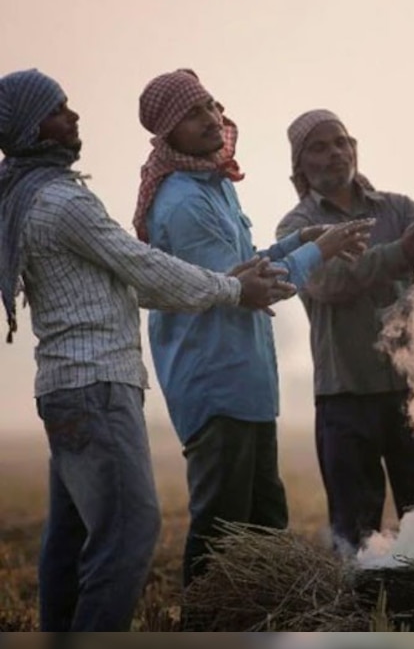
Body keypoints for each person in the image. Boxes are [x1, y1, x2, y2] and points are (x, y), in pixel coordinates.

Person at [0, 69, 292, 631]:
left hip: (67, 388)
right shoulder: (64, 203)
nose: (74, 116)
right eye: (58, 109)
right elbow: (144, 268)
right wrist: (234, 288)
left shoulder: (24, 196)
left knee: (71, 538)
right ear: (31, 128)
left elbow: (138, 280)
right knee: (132, 531)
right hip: (97, 387)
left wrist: (236, 280)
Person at [133, 70, 375, 585]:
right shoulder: (183, 201)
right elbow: (244, 291)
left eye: (213, 106)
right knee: (222, 530)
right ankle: (200, 634)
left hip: (246, 384)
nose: (211, 119)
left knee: (263, 524)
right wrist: (320, 251)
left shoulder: (213, 186)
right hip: (216, 382)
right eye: (193, 113)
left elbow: (245, 265)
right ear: (167, 133)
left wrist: (297, 242)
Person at [276, 109, 414, 555]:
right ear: (300, 166)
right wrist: (402, 250)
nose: (334, 153)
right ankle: (363, 616)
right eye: (318, 147)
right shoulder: (295, 228)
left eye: (340, 142)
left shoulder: (397, 208)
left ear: (354, 148)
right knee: (356, 533)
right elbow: (329, 283)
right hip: (346, 394)